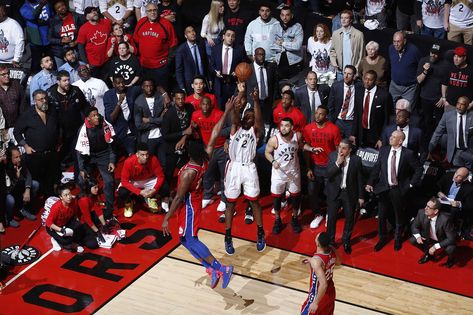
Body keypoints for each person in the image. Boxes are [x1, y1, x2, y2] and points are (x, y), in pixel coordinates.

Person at [162, 109, 234, 289]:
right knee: (184, 239)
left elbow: (179, 197)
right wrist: (226, 111)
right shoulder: (205, 158)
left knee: (191, 239)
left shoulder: (188, 172)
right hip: (192, 201)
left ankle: (221, 268)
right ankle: (210, 268)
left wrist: (166, 218)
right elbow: (215, 133)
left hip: (188, 205)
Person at [223, 84, 265, 255]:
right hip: (234, 167)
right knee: (230, 202)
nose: (250, 118)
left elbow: (259, 123)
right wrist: (236, 107)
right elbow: (234, 119)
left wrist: (255, 101)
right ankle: (227, 236)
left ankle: (260, 232)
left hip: (249, 167)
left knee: (254, 201)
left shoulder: (255, 131)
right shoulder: (236, 128)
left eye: (252, 117)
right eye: (247, 116)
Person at [366, 130, 423, 252]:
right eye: (391, 136)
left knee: (399, 215)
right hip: (384, 189)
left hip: (399, 189)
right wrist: (370, 182)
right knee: (381, 215)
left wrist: (410, 184)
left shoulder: (408, 154)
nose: (390, 138)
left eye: (393, 137)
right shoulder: (384, 150)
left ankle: (397, 238)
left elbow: (419, 169)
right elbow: (377, 168)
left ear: (400, 140)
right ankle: (382, 237)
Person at [14, 90, 60, 196]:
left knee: (50, 179)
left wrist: (59, 141)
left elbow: (58, 126)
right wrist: (25, 146)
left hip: (51, 153)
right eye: (41, 99)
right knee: (37, 181)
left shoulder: (52, 111)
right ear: (35, 101)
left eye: (45, 98)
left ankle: (50, 198)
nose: (44, 101)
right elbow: (17, 132)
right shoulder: (27, 115)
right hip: (35, 155)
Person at [303, 105, 341, 230]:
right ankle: (317, 214)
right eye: (316, 113)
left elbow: (338, 150)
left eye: (321, 114)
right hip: (315, 166)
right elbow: (306, 149)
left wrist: (336, 168)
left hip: (328, 167)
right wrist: (308, 168)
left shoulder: (334, 129)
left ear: (326, 116)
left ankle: (330, 214)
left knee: (330, 194)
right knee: (312, 192)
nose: (318, 116)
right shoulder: (308, 128)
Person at [76, 107, 116, 222]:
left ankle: (109, 207)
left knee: (109, 181)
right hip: (89, 156)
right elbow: (79, 152)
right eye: (93, 115)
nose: (96, 117)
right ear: (88, 118)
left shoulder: (105, 126)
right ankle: (85, 206)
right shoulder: (83, 130)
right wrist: (82, 169)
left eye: (97, 114)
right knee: (81, 179)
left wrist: (112, 161)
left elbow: (112, 146)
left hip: (104, 155)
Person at [265, 117, 303, 234]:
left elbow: (301, 147)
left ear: (291, 127)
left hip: (293, 172)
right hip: (279, 174)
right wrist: (273, 161)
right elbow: (267, 152)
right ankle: (277, 220)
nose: (283, 128)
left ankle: (294, 218)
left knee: (296, 196)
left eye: (286, 125)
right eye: (281, 125)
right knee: (277, 197)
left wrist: (311, 149)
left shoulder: (298, 136)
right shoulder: (274, 139)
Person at [325, 139, 364, 254]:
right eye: (339, 147)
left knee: (349, 218)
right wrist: (338, 163)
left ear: (350, 150)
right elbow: (328, 174)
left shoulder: (357, 160)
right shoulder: (332, 156)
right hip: (334, 193)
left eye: (344, 148)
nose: (340, 150)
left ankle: (346, 240)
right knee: (331, 218)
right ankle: (330, 242)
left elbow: (360, 179)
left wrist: (361, 196)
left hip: (349, 193)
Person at [191, 95, 227, 215]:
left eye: (207, 104)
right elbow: (194, 132)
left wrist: (227, 141)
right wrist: (194, 128)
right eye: (203, 104)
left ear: (211, 105)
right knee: (207, 174)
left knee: (224, 175)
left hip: (222, 148)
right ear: (200, 105)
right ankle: (207, 196)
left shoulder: (219, 114)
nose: (205, 107)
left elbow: (229, 129)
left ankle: (224, 199)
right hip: (207, 149)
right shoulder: (195, 115)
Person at [48, 70, 89, 169]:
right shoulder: (50, 94)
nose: (67, 83)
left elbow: (85, 106)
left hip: (76, 127)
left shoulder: (75, 91)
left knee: (76, 152)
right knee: (61, 152)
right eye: (64, 80)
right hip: (60, 130)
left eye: (68, 80)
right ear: (58, 82)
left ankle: (78, 171)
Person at [133, 3, 178, 89]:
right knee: (147, 92)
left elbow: (173, 45)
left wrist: (167, 62)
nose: (152, 12)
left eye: (154, 10)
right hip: (144, 66)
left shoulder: (166, 24)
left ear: (158, 11)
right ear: (146, 12)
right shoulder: (141, 22)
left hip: (160, 67)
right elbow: (135, 41)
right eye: (150, 10)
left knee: (162, 92)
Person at [118, 142, 168, 217]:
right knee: (122, 192)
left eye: (147, 154)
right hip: (134, 181)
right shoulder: (129, 161)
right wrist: (140, 192)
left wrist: (154, 190)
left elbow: (161, 176)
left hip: (149, 180)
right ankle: (128, 203)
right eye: (142, 155)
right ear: (137, 154)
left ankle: (151, 198)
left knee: (165, 187)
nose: (145, 157)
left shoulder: (153, 159)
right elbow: (124, 181)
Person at [45, 185, 98, 252]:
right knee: (66, 241)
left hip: (67, 222)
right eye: (66, 195)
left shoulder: (73, 201)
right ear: (61, 197)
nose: (69, 197)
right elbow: (48, 223)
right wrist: (61, 230)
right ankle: (57, 239)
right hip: (54, 227)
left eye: (69, 194)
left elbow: (75, 213)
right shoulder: (56, 207)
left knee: (79, 228)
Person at [300, 232, 341, 315]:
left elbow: (323, 284)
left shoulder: (316, 261)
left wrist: (315, 303)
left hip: (319, 294)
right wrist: (311, 261)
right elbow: (338, 262)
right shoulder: (331, 250)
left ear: (317, 243)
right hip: (331, 292)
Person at [409, 197, 456, 268]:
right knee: (413, 240)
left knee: (450, 249)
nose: (425, 208)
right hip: (428, 237)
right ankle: (428, 253)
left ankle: (451, 259)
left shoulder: (445, 219)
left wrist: (435, 246)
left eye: (428, 207)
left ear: (436, 211)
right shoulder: (421, 212)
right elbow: (414, 226)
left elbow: (451, 238)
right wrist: (418, 236)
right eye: (426, 206)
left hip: (442, 239)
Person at [161, 90, 194, 188]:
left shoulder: (190, 108)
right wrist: (183, 133)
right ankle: (165, 196)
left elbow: (193, 125)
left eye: (182, 98)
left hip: (187, 144)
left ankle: (186, 191)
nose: (181, 101)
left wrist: (184, 137)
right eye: (178, 99)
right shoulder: (168, 114)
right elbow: (165, 135)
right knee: (169, 173)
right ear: (174, 99)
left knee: (188, 170)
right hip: (172, 146)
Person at [417, 44, 450, 142]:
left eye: (436, 54)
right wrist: (425, 71)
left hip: (438, 99)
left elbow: (447, 83)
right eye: (432, 53)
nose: (433, 55)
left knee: (439, 122)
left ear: (439, 54)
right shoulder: (423, 61)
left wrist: (444, 97)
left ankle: (438, 141)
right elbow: (419, 80)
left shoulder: (445, 65)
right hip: (425, 97)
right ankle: (428, 141)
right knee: (427, 121)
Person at [351, 70, 391, 149]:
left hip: (376, 134)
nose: (367, 81)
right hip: (361, 133)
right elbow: (356, 115)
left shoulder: (384, 95)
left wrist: (381, 138)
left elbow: (387, 119)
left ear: (375, 81)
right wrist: (353, 133)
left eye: (370, 80)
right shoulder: (359, 92)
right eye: (365, 79)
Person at [429, 96, 473, 168]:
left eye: (462, 104)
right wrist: (430, 148)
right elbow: (438, 132)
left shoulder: (472, 116)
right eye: (458, 103)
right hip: (456, 152)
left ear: (468, 106)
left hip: (470, 151)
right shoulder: (448, 115)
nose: (459, 106)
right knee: (457, 174)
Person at [134, 78, 167, 169]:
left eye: (151, 86)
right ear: (142, 87)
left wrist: (149, 120)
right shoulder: (138, 102)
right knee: (149, 165)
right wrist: (158, 121)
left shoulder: (159, 98)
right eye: (146, 86)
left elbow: (165, 120)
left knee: (163, 164)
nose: (149, 88)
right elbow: (139, 125)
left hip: (161, 136)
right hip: (148, 138)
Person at [211, 28, 246, 108]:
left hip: (233, 84)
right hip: (219, 85)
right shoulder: (216, 49)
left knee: (233, 111)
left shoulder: (239, 50)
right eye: (228, 35)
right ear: (223, 36)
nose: (230, 38)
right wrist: (216, 72)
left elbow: (243, 65)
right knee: (220, 110)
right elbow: (211, 66)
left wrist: (238, 72)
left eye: (233, 36)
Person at [4, 146, 39, 228]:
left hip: (19, 188)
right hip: (9, 192)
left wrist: (27, 190)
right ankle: (9, 218)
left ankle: (23, 209)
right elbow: (8, 190)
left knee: (35, 184)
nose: (19, 159)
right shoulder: (5, 168)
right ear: (10, 158)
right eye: (16, 157)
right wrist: (16, 178)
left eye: (19, 156)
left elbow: (28, 175)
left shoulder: (20, 162)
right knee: (10, 200)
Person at [103, 75, 137, 157]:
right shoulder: (108, 95)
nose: (121, 85)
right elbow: (111, 118)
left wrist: (164, 94)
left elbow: (147, 86)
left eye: (122, 82)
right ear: (113, 84)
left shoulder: (131, 91)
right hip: (118, 133)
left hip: (133, 132)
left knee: (132, 157)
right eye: (118, 83)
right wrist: (119, 102)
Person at [77, 7, 112, 80]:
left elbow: (111, 36)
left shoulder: (106, 22)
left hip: (107, 60)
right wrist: (86, 62)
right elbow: (80, 47)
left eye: (95, 11)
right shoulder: (83, 29)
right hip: (93, 63)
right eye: (91, 12)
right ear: (86, 17)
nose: (94, 12)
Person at [437, 167, 473, 237]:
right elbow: (437, 186)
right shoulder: (448, 175)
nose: (455, 176)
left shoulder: (469, 188)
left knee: (454, 210)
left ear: (465, 179)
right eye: (456, 173)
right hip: (443, 201)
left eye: (459, 176)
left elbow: (470, 205)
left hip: (454, 207)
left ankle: (447, 230)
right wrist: (439, 192)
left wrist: (459, 204)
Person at [246, 48, 278, 125]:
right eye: (259, 55)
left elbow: (275, 85)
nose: (262, 57)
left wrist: (273, 100)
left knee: (266, 125)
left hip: (267, 103)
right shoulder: (248, 68)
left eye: (263, 55)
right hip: (253, 103)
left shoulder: (270, 67)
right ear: (254, 56)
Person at [270, 6, 304, 80]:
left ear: (291, 15)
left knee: (294, 86)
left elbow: (297, 46)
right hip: (280, 62)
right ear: (280, 16)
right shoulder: (275, 26)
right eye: (282, 15)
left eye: (287, 15)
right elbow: (271, 45)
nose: (284, 18)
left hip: (295, 63)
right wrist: (290, 44)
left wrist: (283, 43)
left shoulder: (298, 27)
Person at [327, 65, 360, 139]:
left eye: (349, 74)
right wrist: (331, 121)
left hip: (351, 122)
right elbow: (330, 106)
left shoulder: (359, 87)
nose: (346, 76)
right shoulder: (336, 86)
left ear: (354, 76)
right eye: (345, 73)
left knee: (348, 145)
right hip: (338, 121)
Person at [388, 31, 421, 105]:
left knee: (407, 111)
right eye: (394, 41)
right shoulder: (391, 48)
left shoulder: (414, 51)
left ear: (404, 41)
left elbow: (420, 65)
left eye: (398, 42)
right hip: (394, 86)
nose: (396, 44)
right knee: (390, 107)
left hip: (409, 88)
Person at [175, 26, 210, 95]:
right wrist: (182, 87)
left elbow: (206, 63)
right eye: (189, 32)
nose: (192, 33)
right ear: (185, 36)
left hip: (203, 82)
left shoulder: (201, 44)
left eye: (193, 31)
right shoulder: (181, 50)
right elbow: (179, 70)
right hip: (189, 85)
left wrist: (209, 79)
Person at [329, 10, 365, 78]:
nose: (343, 20)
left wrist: (356, 70)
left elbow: (361, 54)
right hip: (340, 71)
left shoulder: (359, 34)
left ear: (351, 20)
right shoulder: (336, 34)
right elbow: (332, 50)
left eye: (346, 18)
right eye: (342, 18)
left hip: (353, 72)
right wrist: (334, 63)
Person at [20, 0, 52, 73]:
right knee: (36, 63)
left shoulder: (44, 2)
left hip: (48, 37)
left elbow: (51, 15)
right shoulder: (23, 8)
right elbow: (32, 16)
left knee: (51, 61)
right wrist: (41, 5)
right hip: (36, 40)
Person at [48, 0, 82, 68]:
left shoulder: (75, 17)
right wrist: (61, 41)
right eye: (59, 7)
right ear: (56, 11)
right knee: (63, 72)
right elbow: (49, 39)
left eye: (63, 5)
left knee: (77, 69)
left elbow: (83, 33)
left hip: (75, 50)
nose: (62, 8)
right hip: (59, 51)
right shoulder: (53, 21)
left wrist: (76, 42)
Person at [77, 178, 108, 242]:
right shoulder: (84, 200)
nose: (97, 189)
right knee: (92, 244)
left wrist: (104, 224)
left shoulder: (93, 194)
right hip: (83, 220)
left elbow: (98, 209)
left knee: (108, 211)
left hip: (91, 214)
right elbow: (87, 218)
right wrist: (97, 232)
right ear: (89, 188)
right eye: (95, 187)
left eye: (97, 187)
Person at [0, 64, 27, 130]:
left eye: (8, 73)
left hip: (16, 124)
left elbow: (23, 104)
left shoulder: (16, 85)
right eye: (3, 74)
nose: (7, 76)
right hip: (1, 126)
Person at [0, 2, 24, 66]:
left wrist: (16, 59)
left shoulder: (13, 24)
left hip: (11, 62)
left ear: (4, 12)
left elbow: (20, 42)